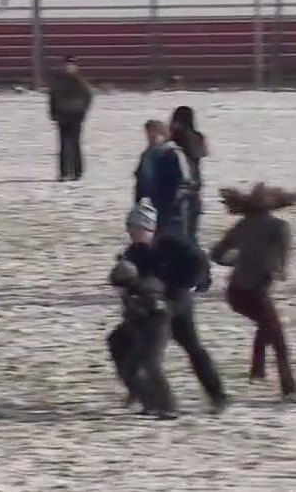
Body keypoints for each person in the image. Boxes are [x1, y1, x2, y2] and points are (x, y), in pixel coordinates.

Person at [107, 202, 229, 415]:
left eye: (135, 229)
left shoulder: (174, 245)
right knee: (118, 341)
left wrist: (187, 286)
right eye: (130, 230)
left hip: (178, 302)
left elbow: (200, 263)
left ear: (148, 228)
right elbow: (129, 282)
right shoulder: (134, 253)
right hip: (152, 309)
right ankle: (140, 391)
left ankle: (217, 396)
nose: (132, 234)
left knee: (192, 347)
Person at [214, 184, 295, 401]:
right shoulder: (280, 227)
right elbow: (277, 265)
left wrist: (237, 261)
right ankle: (290, 389)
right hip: (256, 290)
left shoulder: (242, 225)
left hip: (235, 293)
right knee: (278, 339)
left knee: (266, 323)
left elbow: (216, 254)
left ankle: (257, 372)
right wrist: (276, 270)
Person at [47, 55, 92, 181]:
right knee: (63, 144)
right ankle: (64, 172)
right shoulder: (59, 82)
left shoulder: (80, 82)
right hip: (63, 115)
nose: (69, 68)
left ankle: (77, 172)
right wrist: (53, 112)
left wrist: (82, 111)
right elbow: (53, 97)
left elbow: (87, 97)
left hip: (75, 115)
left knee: (74, 143)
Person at [169, 106, 208, 247]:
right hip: (195, 187)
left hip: (178, 190)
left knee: (176, 233)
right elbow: (202, 154)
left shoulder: (174, 138)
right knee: (192, 233)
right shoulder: (198, 137)